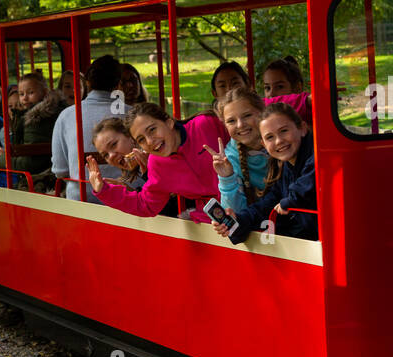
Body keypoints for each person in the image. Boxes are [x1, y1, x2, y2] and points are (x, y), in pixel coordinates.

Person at [85, 102, 229, 222]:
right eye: (141, 139)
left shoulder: (205, 124)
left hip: (245, 206)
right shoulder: (156, 163)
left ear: (169, 122)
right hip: (212, 221)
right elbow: (145, 204)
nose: (149, 141)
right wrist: (104, 191)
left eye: (152, 130)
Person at [211, 102, 317, 244]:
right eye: (270, 137)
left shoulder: (317, 157)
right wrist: (237, 221)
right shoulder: (286, 168)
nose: (279, 141)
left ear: (302, 128)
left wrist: (289, 201)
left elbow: (307, 184)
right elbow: (266, 205)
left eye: (284, 131)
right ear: (264, 145)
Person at [51, 55, 126, 202]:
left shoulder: (67, 115)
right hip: (128, 197)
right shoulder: (133, 114)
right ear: (118, 84)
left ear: (87, 83)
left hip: (83, 200)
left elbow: (60, 171)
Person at [210, 88, 271, 211]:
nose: (240, 125)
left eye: (247, 115)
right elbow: (234, 213)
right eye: (231, 121)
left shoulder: (282, 143)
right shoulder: (229, 159)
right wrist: (227, 177)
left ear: (263, 112)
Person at [9, 72, 65, 188]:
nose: (25, 97)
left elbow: (31, 163)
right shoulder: (54, 110)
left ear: (44, 92)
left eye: (31, 93)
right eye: (21, 94)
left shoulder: (37, 119)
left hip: (42, 179)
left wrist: (2, 158)